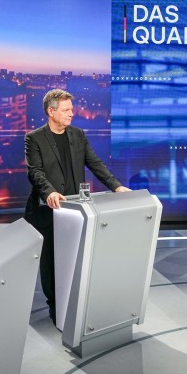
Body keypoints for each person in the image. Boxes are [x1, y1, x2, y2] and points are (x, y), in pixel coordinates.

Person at [24, 89, 130, 324]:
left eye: (72, 109)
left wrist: (116, 186)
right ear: (51, 112)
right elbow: (35, 172)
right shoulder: (34, 138)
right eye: (66, 110)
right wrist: (50, 191)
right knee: (51, 260)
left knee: (75, 256)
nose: (73, 113)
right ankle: (55, 305)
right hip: (47, 209)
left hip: (76, 209)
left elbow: (95, 163)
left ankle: (74, 300)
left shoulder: (78, 135)